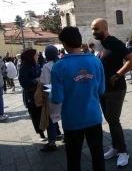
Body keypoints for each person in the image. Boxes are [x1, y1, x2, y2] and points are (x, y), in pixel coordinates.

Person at [50, 26, 106, 171]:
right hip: (93, 117)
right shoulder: (95, 61)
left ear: (63, 43)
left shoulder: (59, 66)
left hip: (72, 120)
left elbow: (57, 98)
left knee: (73, 159)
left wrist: (49, 93)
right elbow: (101, 89)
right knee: (98, 155)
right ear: (80, 40)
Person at [91, 18, 132, 168]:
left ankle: (123, 151)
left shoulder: (114, 42)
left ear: (105, 28)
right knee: (109, 119)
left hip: (116, 89)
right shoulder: (99, 44)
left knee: (113, 119)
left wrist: (118, 75)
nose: (94, 32)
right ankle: (115, 147)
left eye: (96, 29)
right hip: (103, 89)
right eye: (92, 29)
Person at [39, 45, 63, 152]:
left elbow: (45, 84)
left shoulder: (47, 66)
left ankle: (52, 143)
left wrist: (49, 95)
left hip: (53, 96)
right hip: (65, 95)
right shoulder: (61, 63)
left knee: (51, 119)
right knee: (64, 116)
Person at [18, 49, 46, 141]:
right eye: (36, 55)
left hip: (39, 94)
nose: (38, 56)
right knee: (35, 115)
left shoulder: (36, 65)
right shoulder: (24, 68)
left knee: (42, 112)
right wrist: (36, 80)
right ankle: (40, 133)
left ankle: (46, 130)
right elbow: (23, 82)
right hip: (31, 96)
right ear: (31, 57)